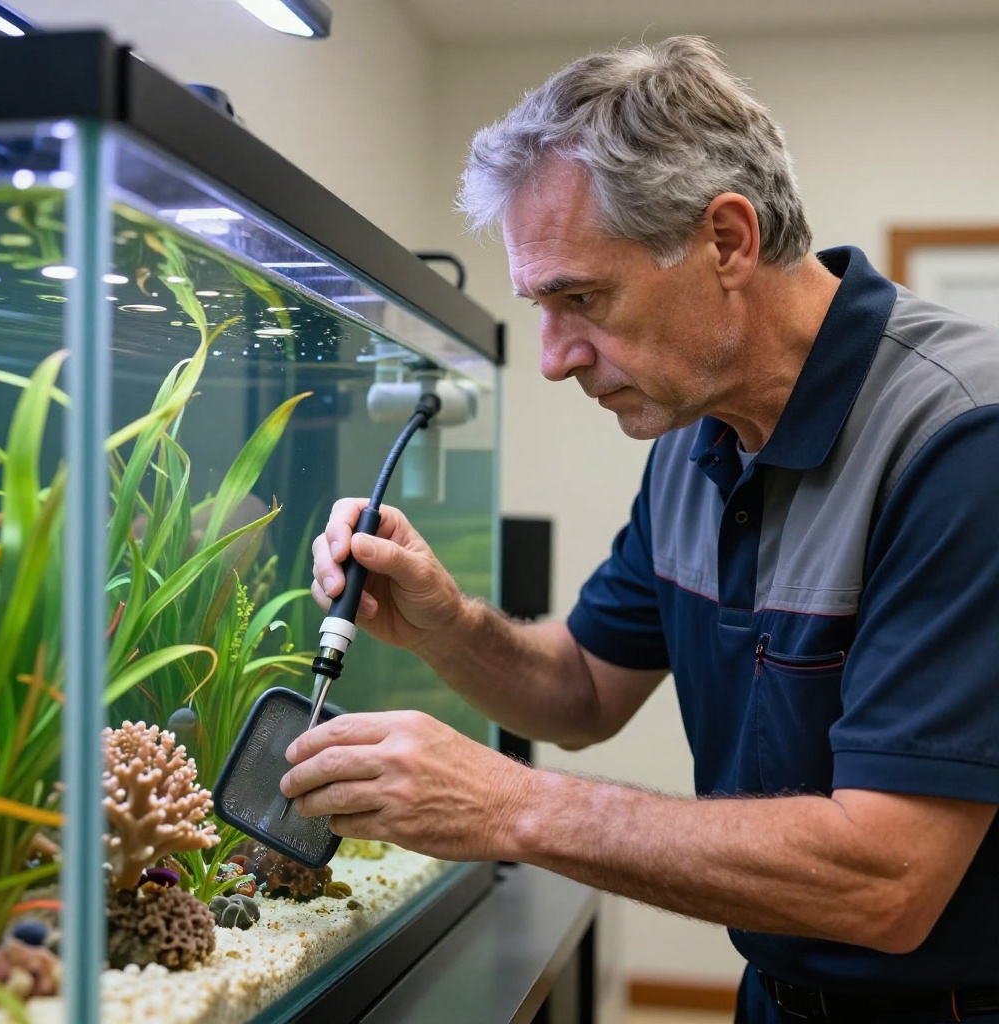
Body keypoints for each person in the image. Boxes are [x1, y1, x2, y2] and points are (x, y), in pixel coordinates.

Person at [279, 35, 999, 1023]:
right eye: (540, 306)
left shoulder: (960, 438)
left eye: (582, 298)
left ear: (727, 242)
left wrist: (509, 805)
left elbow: (887, 880)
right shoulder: (693, 438)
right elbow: (580, 688)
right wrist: (446, 622)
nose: (552, 357)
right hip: (778, 996)